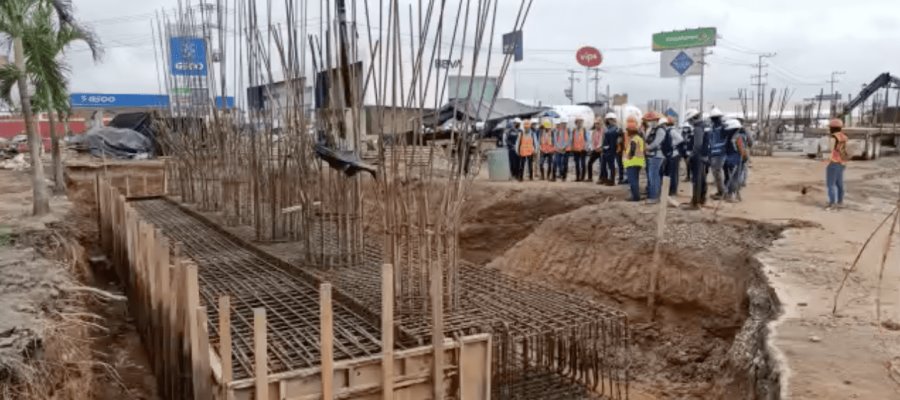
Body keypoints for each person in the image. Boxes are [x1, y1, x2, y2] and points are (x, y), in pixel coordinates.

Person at [642, 111, 666, 204]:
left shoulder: (660, 130)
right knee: (652, 176)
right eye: (648, 120)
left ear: (656, 120)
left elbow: (656, 143)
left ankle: (654, 197)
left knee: (654, 176)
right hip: (651, 155)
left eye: (650, 120)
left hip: (657, 156)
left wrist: (648, 147)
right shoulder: (652, 129)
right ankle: (653, 194)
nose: (649, 122)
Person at [826, 118, 849, 210]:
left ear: (832, 127)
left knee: (830, 184)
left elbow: (830, 150)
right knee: (839, 184)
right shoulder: (844, 137)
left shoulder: (833, 137)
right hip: (842, 163)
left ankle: (832, 204)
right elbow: (845, 150)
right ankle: (840, 202)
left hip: (834, 162)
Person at [722, 119, 746, 202]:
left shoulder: (727, 137)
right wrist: (744, 158)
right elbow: (741, 149)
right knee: (735, 178)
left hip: (727, 160)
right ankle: (731, 195)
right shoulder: (738, 137)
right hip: (736, 160)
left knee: (728, 178)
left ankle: (730, 194)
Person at [622, 116, 645, 202]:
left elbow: (632, 150)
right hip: (638, 162)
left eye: (627, 130)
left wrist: (628, 158)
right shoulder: (639, 138)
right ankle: (636, 195)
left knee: (633, 181)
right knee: (635, 180)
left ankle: (635, 197)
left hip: (632, 162)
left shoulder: (634, 139)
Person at [689, 110, 708, 208]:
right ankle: (702, 199)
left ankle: (696, 201)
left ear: (692, 118)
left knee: (697, 179)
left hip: (698, 156)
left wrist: (692, 155)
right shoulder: (704, 125)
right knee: (702, 178)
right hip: (704, 156)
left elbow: (697, 144)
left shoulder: (697, 128)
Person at [707, 107, 728, 200]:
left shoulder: (724, 128)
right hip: (714, 153)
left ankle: (722, 192)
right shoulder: (712, 129)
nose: (714, 120)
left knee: (717, 172)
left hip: (721, 153)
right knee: (715, 173)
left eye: (716, 118)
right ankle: (721, 191)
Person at [661, 115, 684, 196]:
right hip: (671, 154)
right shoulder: (669, 131)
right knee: (670, 172)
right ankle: (671, 189)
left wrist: (672, 145)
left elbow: (680, 139)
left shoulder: (672, 131)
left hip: (674, 154)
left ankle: (673, 190)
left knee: (673, 173)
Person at [600, 113, 620, 186]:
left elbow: (613, 141)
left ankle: (612, 180)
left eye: (609, 120)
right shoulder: (609, 128)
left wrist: (611, 149)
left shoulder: (615, 129)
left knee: (611, 166)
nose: (608, 121)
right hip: (607, 149)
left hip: (611, 150)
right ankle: (606, 179)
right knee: (605, 165)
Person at [570, 117, 589, 181]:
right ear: (576, 123)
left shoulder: (584, 130)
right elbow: (572, 139)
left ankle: (582, 177)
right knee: (577, 164)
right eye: (578, 122)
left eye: (580, 122)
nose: (579, 123)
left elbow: (587, 140)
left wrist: (586, 147)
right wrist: (572, 147)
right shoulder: (574, 130)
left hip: (583, 150)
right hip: (576, 150)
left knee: (583, 164)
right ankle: (577, 177)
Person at [586, 117, 604, 183]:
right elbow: (592, 141)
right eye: (596, 124)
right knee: (589, 162)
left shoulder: (603, 131)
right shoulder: (594, 131)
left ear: (601, 124)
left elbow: (602, 140)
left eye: (598, 124)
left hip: (601, 150)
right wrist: (594, 148)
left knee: (602, 164)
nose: (597, 125)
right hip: (595, 149)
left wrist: (600, 147)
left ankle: (601, 178)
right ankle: (590, 178)